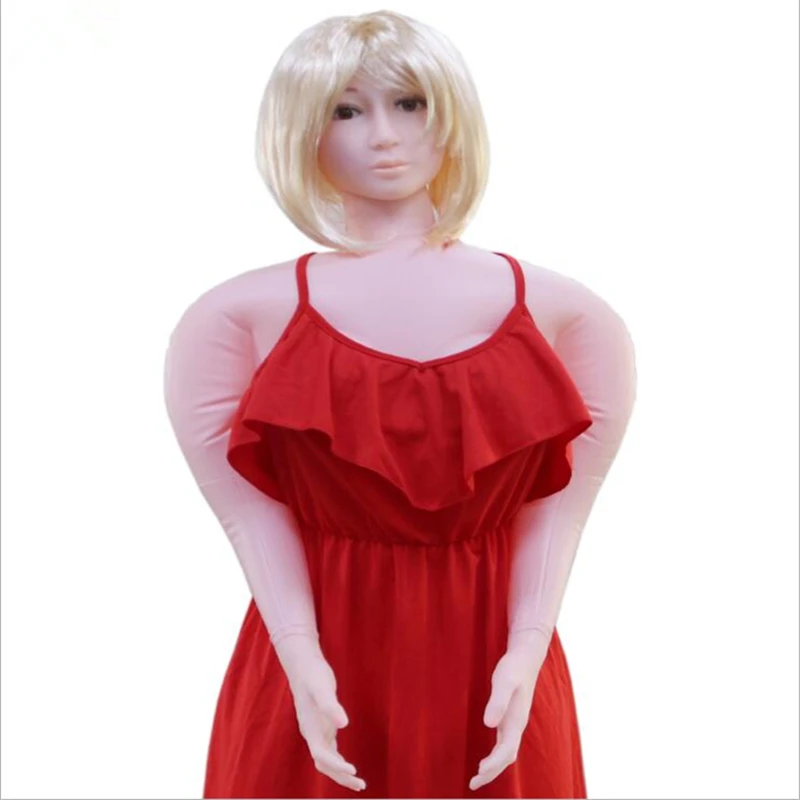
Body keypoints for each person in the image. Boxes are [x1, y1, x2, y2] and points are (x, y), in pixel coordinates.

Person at [163, 9, 637, 798]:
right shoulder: (233, 320)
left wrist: (526, 647)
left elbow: (561, 514)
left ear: (450, 114)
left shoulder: (570, 318)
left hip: (498, 672)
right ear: (302, 130)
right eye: (346, 110)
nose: (383, 135)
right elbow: (250, 520)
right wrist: (300, 656)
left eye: (409, 103)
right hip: (316, 672)